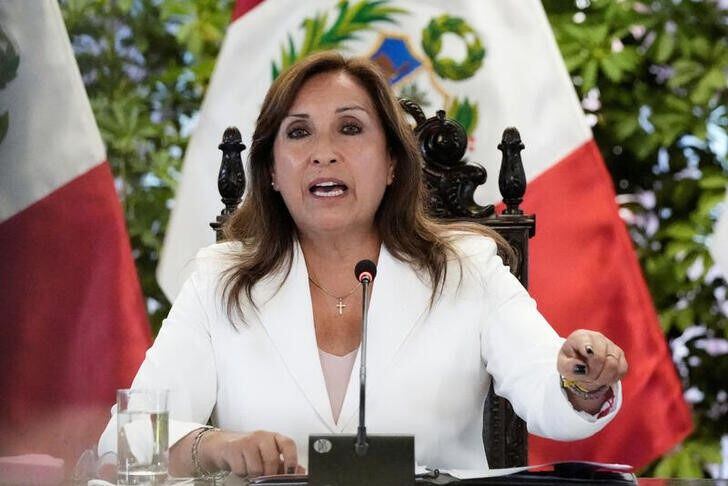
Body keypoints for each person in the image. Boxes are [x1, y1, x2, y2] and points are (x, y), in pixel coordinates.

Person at [98, 51, 628, 479]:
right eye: (299, 133)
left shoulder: (466, 267)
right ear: (274, 173)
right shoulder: (220, 279)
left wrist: (583, 379)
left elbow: (547, 391)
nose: (323, 153)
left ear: (394, 162)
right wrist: (215, 446)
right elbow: (127, 438)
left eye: (350, 129)